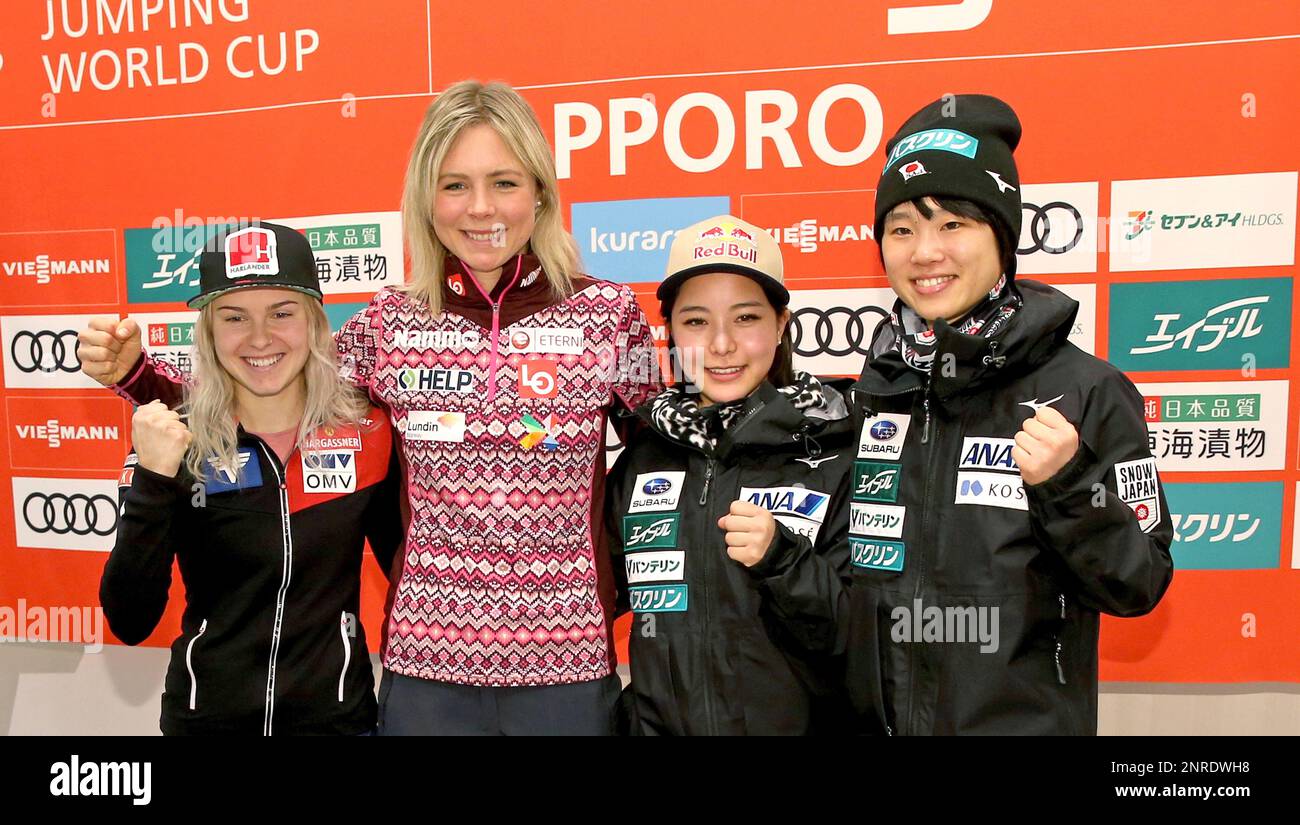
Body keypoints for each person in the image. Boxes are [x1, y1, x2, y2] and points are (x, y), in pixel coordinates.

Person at [79, 80, 660, 735]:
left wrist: (614, 578)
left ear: (541, 192)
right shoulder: (389, 324)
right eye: (454, 185)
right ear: (424, 198)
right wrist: (138, 377)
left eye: (504, 182)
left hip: (568, 665)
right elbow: (263, 391)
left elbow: (663, 458)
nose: (480, 208)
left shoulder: (608, 316)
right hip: (426, 671)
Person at [841, 94, 1174, 735]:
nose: (924, 252)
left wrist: (1068, 485)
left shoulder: (1085, 390)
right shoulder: (878, 388)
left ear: (1003, 234)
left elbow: (1139, 582)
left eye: (953, 224)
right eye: (902, 228)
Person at [99, 222, 402, 735]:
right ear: (209, 331)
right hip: (205, 724)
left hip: (337, 724)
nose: (260, 338)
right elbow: (130, 619)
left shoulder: (367, 432)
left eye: (282, 313)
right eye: (234, 317)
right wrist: (151, 480)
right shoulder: (177, 440)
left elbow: (410, 572)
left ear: (315, 323)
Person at [605, 215, 856, 735]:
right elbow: (591, 605)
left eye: (745, 318)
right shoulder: (645, 457)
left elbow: (863, 640)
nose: (720, 344)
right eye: (696, 321)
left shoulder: (837, 450)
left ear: (782, 323)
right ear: (669, 330)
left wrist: (783, 560)